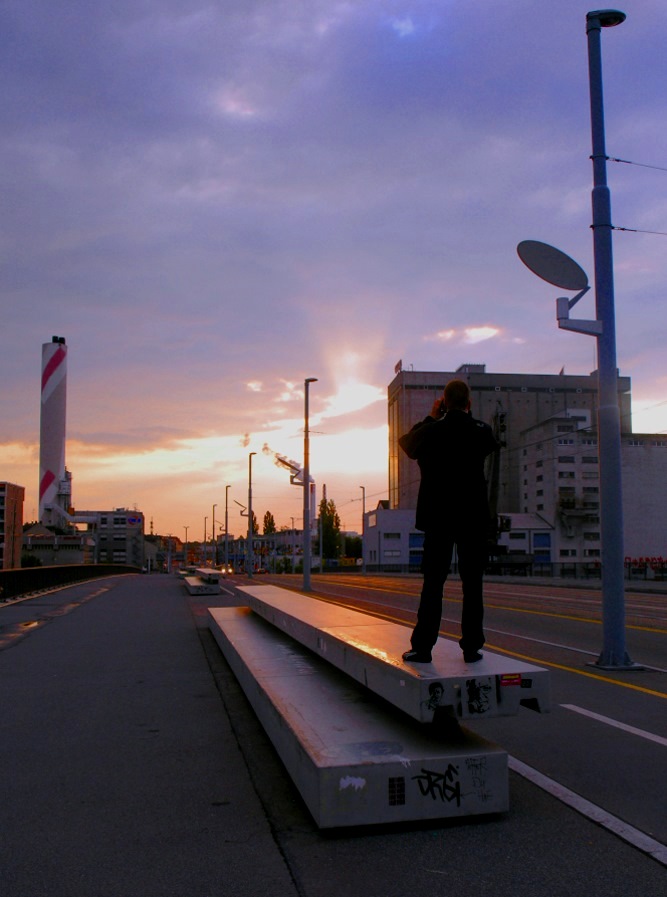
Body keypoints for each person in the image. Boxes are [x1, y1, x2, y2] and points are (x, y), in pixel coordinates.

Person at [398, 378, 498, 664]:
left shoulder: (431, 430)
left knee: (433, 583)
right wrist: (464, 415)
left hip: (438, 518)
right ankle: (471, 647)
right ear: (468, 403)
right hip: (472, 519)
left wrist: (433, 416)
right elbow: (489, 439)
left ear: (443, 402)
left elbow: (407, 442)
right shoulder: (480, 431)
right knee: (472, 584)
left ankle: (423, 647)